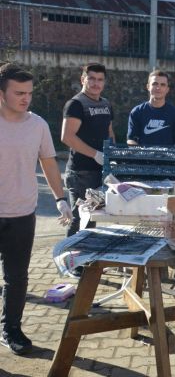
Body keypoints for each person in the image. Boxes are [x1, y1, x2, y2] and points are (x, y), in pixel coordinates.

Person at [0, 63, 72, 355]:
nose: (25, 98)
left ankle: (11, 329)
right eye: (18, 92)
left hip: (22, 213)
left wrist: (60, 197)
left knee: (17, 278)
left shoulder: (38, 125)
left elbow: (49, 162)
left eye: (29, 92)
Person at [61, 62, 114, 237]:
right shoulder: (76, 104)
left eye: (100, 79)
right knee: (78, 219)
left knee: (92, 219)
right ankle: (70, 262)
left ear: (104, 82)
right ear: (83, 79)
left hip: (100, 171)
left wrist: (113, 155)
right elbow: (67, 137)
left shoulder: (106, 104)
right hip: (80, 173)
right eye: (91, 78)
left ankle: (86, 262)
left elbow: (109, 132)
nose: (96, 83)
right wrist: (96, 154)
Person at [127, 70, 175, 146]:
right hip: (143, 157)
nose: (158, 87)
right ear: (148, 87)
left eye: (162, 85)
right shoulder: (137, 112)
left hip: (167, 157)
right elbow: (131, 140)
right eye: (155, 84)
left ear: (167, 89)